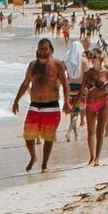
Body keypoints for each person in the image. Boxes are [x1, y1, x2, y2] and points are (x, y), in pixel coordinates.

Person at [10, 38, 68, 171]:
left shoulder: (57, 65)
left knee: (49, 137)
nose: (42, 51)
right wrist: (16, 101)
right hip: (35, 105)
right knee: (28, 134)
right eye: (40, 48)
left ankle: (45, 164)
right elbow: (26, 83)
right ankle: (33, 156)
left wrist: (66, 102)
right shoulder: (32, 65)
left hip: (51, 106)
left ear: (51, 50)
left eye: (45, 49)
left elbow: (65, 84)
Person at [75, 46, 108, 166]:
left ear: (100, 58)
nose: (92, 59)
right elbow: (81, 90)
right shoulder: (88, 73)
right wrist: (73, 106)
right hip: (90, 103)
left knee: (100, 131)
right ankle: (91, 157)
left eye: (94, 57)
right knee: (90, 132)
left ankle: (97, 157)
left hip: (104, 102)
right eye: (91, 57)